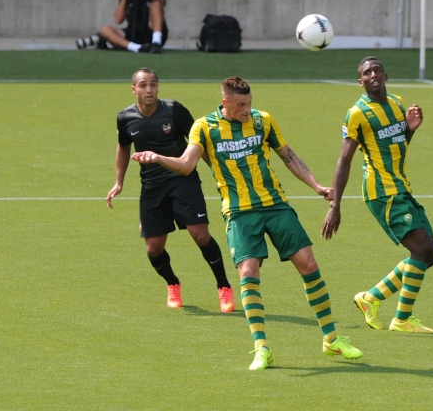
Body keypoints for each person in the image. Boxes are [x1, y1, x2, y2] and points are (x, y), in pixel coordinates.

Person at [132, 76, 363, 370]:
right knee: (248, 273)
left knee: (310, 265)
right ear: (225, 102)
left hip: (275, 206)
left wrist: (315, 185)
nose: (247, 109)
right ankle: (261, 348)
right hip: (239, 213)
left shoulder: (262, 121)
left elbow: (288, 156)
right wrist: (159, 158)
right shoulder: (204, 127)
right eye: (241, 104)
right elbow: (187, 164)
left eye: (250, 102)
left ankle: (331, 339)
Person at [321, 56, 433, 334]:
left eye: (377, 70)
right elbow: (344, 160)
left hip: (401, 187)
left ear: (385, 75)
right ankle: (401, 319)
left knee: (430, 254)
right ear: (360, 81)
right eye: (366, 72)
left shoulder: (398, 103)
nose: (373, 74)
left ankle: (370, 298)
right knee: (421, 249)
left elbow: (398, 144)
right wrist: (335, 204)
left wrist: (409, 130)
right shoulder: (357, 113)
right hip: (382, 193)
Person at [107, 67, 234, 313]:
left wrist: (218, 173)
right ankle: (173, 283)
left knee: (200, 234)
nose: (149, 90)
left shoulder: (174, 111)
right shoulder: (125, 118)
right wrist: (118, 182)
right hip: (152, 186)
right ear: (134, 89)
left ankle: (224, 286)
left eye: (153, 84)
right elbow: (123, 147)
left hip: (182, 179)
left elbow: (199, 142)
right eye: (143, 85)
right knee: (153, 247)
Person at [76, 0, 166, 53]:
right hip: (133, 34)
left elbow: (160, 4)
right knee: (104, 29)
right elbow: (118, 19)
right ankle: (137, 48)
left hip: (151, 34)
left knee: (156, 4)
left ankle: (155, 44)